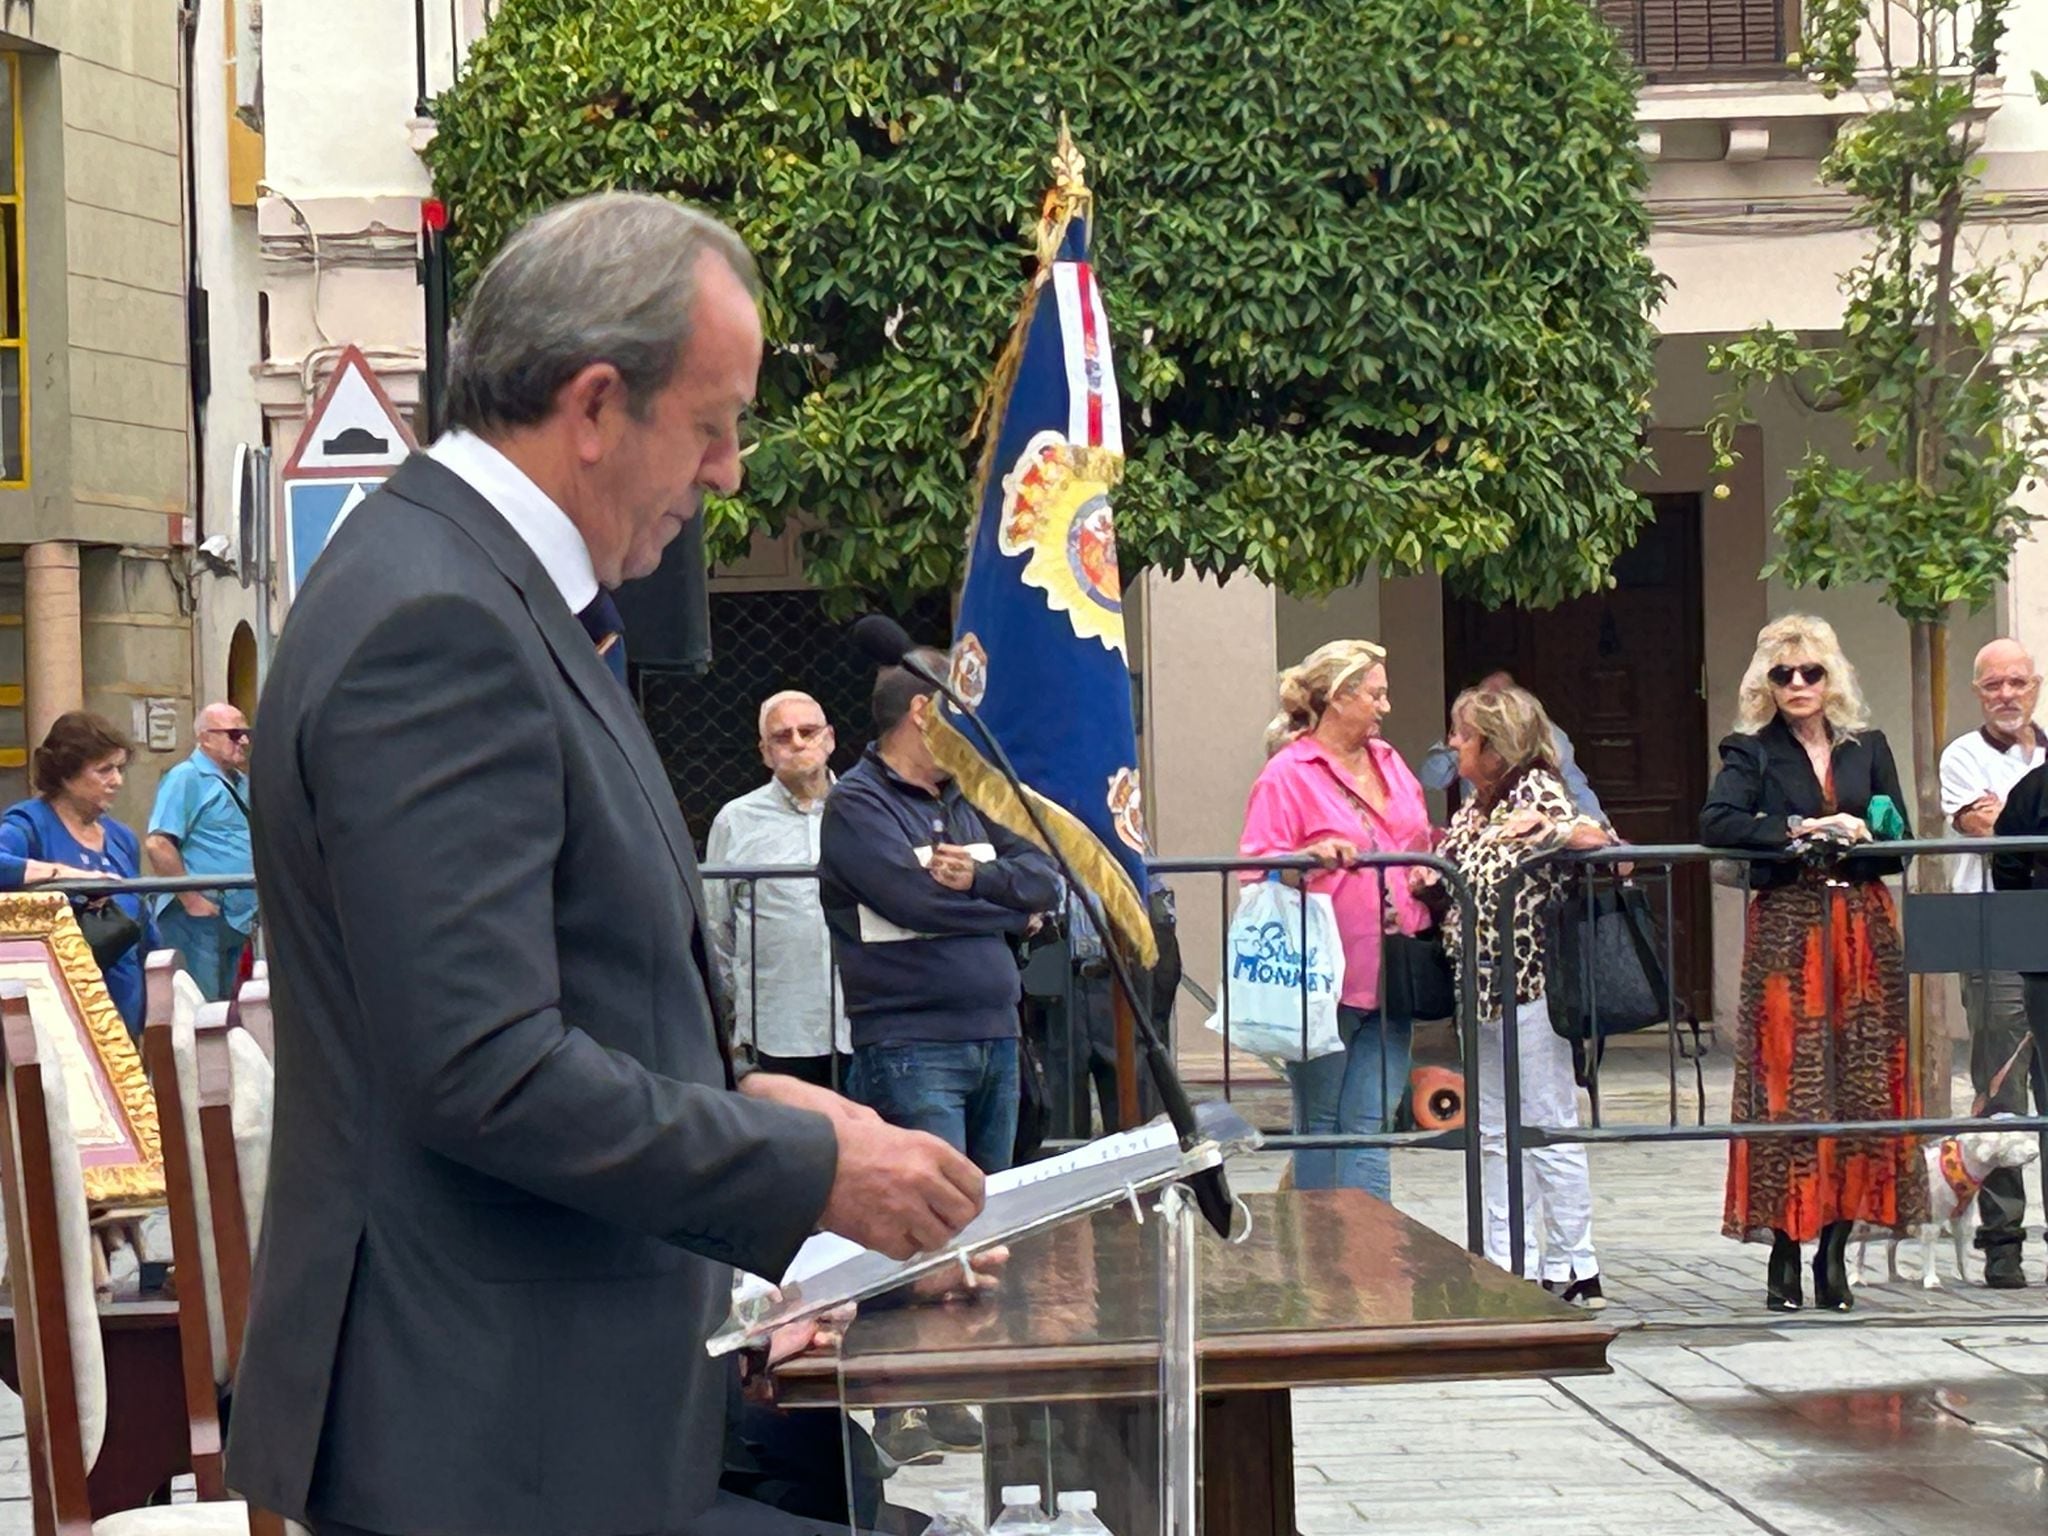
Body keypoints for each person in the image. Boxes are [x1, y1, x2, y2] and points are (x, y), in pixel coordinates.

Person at [224, 192, 986, 1536]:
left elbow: (552, 995)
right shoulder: (443, 623)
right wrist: (807, 1178)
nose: (730, 472)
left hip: (544, 1414)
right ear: (592, 407)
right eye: (713, 424)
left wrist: (768, 1103)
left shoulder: (471, 590)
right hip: (489, 1444)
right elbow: (481, 1066)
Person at [1701, 614, 1924, 1314]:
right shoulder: (1751, 751)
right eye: (1783, 674)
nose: (1799, 685)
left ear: (1832, 678)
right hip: (1789, 931)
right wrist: (1798, 830)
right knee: (1786, 1086)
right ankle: (1783, 1251)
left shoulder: (1868, 748)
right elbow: (1719, 822)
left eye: (1811, 672)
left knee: (1858, 1088)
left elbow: (1902, 842)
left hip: (1861, 927)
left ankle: (1834, 1251)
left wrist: (1860, 833)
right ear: (1766, 684)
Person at [818, 651, 1060, 1175]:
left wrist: (980, 878)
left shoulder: (972, 795)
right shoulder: (857, 804)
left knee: (991, 1217)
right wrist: (1015, 916)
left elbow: (1044, 878)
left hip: (998, 1038)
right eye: (964, 711)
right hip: (913, 1046)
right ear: (923, 711)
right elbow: (917, 903)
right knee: (935, 1224)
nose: (977, 728)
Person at [1425, 684, 1609, 1305]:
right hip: (1478, 991)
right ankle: (1507, 1261)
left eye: (1463, 733)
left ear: (1494, 746)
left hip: (1530, 988)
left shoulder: (1538, 793)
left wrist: (1557, 827)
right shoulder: (1475, 804)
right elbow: (1453, 867)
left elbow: (1598, 839)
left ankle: (1575, 1263)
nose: (1453, 743)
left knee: (1547, 1123)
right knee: (1494, 1132)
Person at [1239, 640, 1433, 1199]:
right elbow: (1254, 869)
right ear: (1341, 698)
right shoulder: (1288, 773)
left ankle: (1370, 1261)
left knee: (1371, 1124)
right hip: (1321, 979)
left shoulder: (1390, 762)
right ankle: (1321, 1263)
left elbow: (1416, 837)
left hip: (1394, 969)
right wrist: (1305, 859)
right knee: (1321, 1124)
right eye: (1377, 694)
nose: (1386, 706)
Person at [1938, 638, 2045, 1287]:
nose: (2006, 695)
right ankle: (2002, 1241)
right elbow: (1988, 829)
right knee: (2003, 1087)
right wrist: (2020, 822)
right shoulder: (1962, 756)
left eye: (2017, 683)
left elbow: (2009, 823)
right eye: (1993, 685)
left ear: (2035, 685)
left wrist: (2013, 817)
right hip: (1993, 925)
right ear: (1978, 692)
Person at [704, 690, 851, 1087]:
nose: (798, 743)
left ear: (830, 738)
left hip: (862, 1025)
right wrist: (730, 1021)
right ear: (765, 752)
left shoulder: (865, 811)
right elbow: (716, 929)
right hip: (778, 1026)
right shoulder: (736, 821)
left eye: (808, 731)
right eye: (782, 737)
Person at [0, 712, 158, 1033]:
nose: (118, 780)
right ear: (66, 774)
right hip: (56, 1016)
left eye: (119, 768)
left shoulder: (121, 838)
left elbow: (143, 924)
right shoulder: (30, 825)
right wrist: (66, 876)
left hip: (123, 1010)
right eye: (104, 770)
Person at [144, 701, 256, 1001]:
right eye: (234, 734)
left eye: (246, 733)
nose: (244, 741)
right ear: (206, 737)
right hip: (197, 917)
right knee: (200, 1011)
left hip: (235, 916)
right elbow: (158, 843)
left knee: (224, 1012)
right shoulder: (186, 777)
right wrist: (191, 899)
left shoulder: (240, 781)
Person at [1420, 670, 1608, 823]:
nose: (1489, 708)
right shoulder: (1477, 799)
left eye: (1498, 703)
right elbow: (1431, 779)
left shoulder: (1533, 789)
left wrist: (1603, 834)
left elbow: (1573, 789)